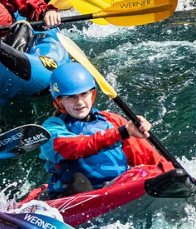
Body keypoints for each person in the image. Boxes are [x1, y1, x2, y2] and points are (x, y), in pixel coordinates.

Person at [39, 63, 162, 197]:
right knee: (80, 182)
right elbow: (75, 147)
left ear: (92, 94)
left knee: (139, 174)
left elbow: (147, 158)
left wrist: (170, 174)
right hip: (72, 195)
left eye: (84, 94)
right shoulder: (51, 129)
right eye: (71, 97)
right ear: (60, 101)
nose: (79, 101)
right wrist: (121, 132)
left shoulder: (113, 120)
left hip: (114, 188)